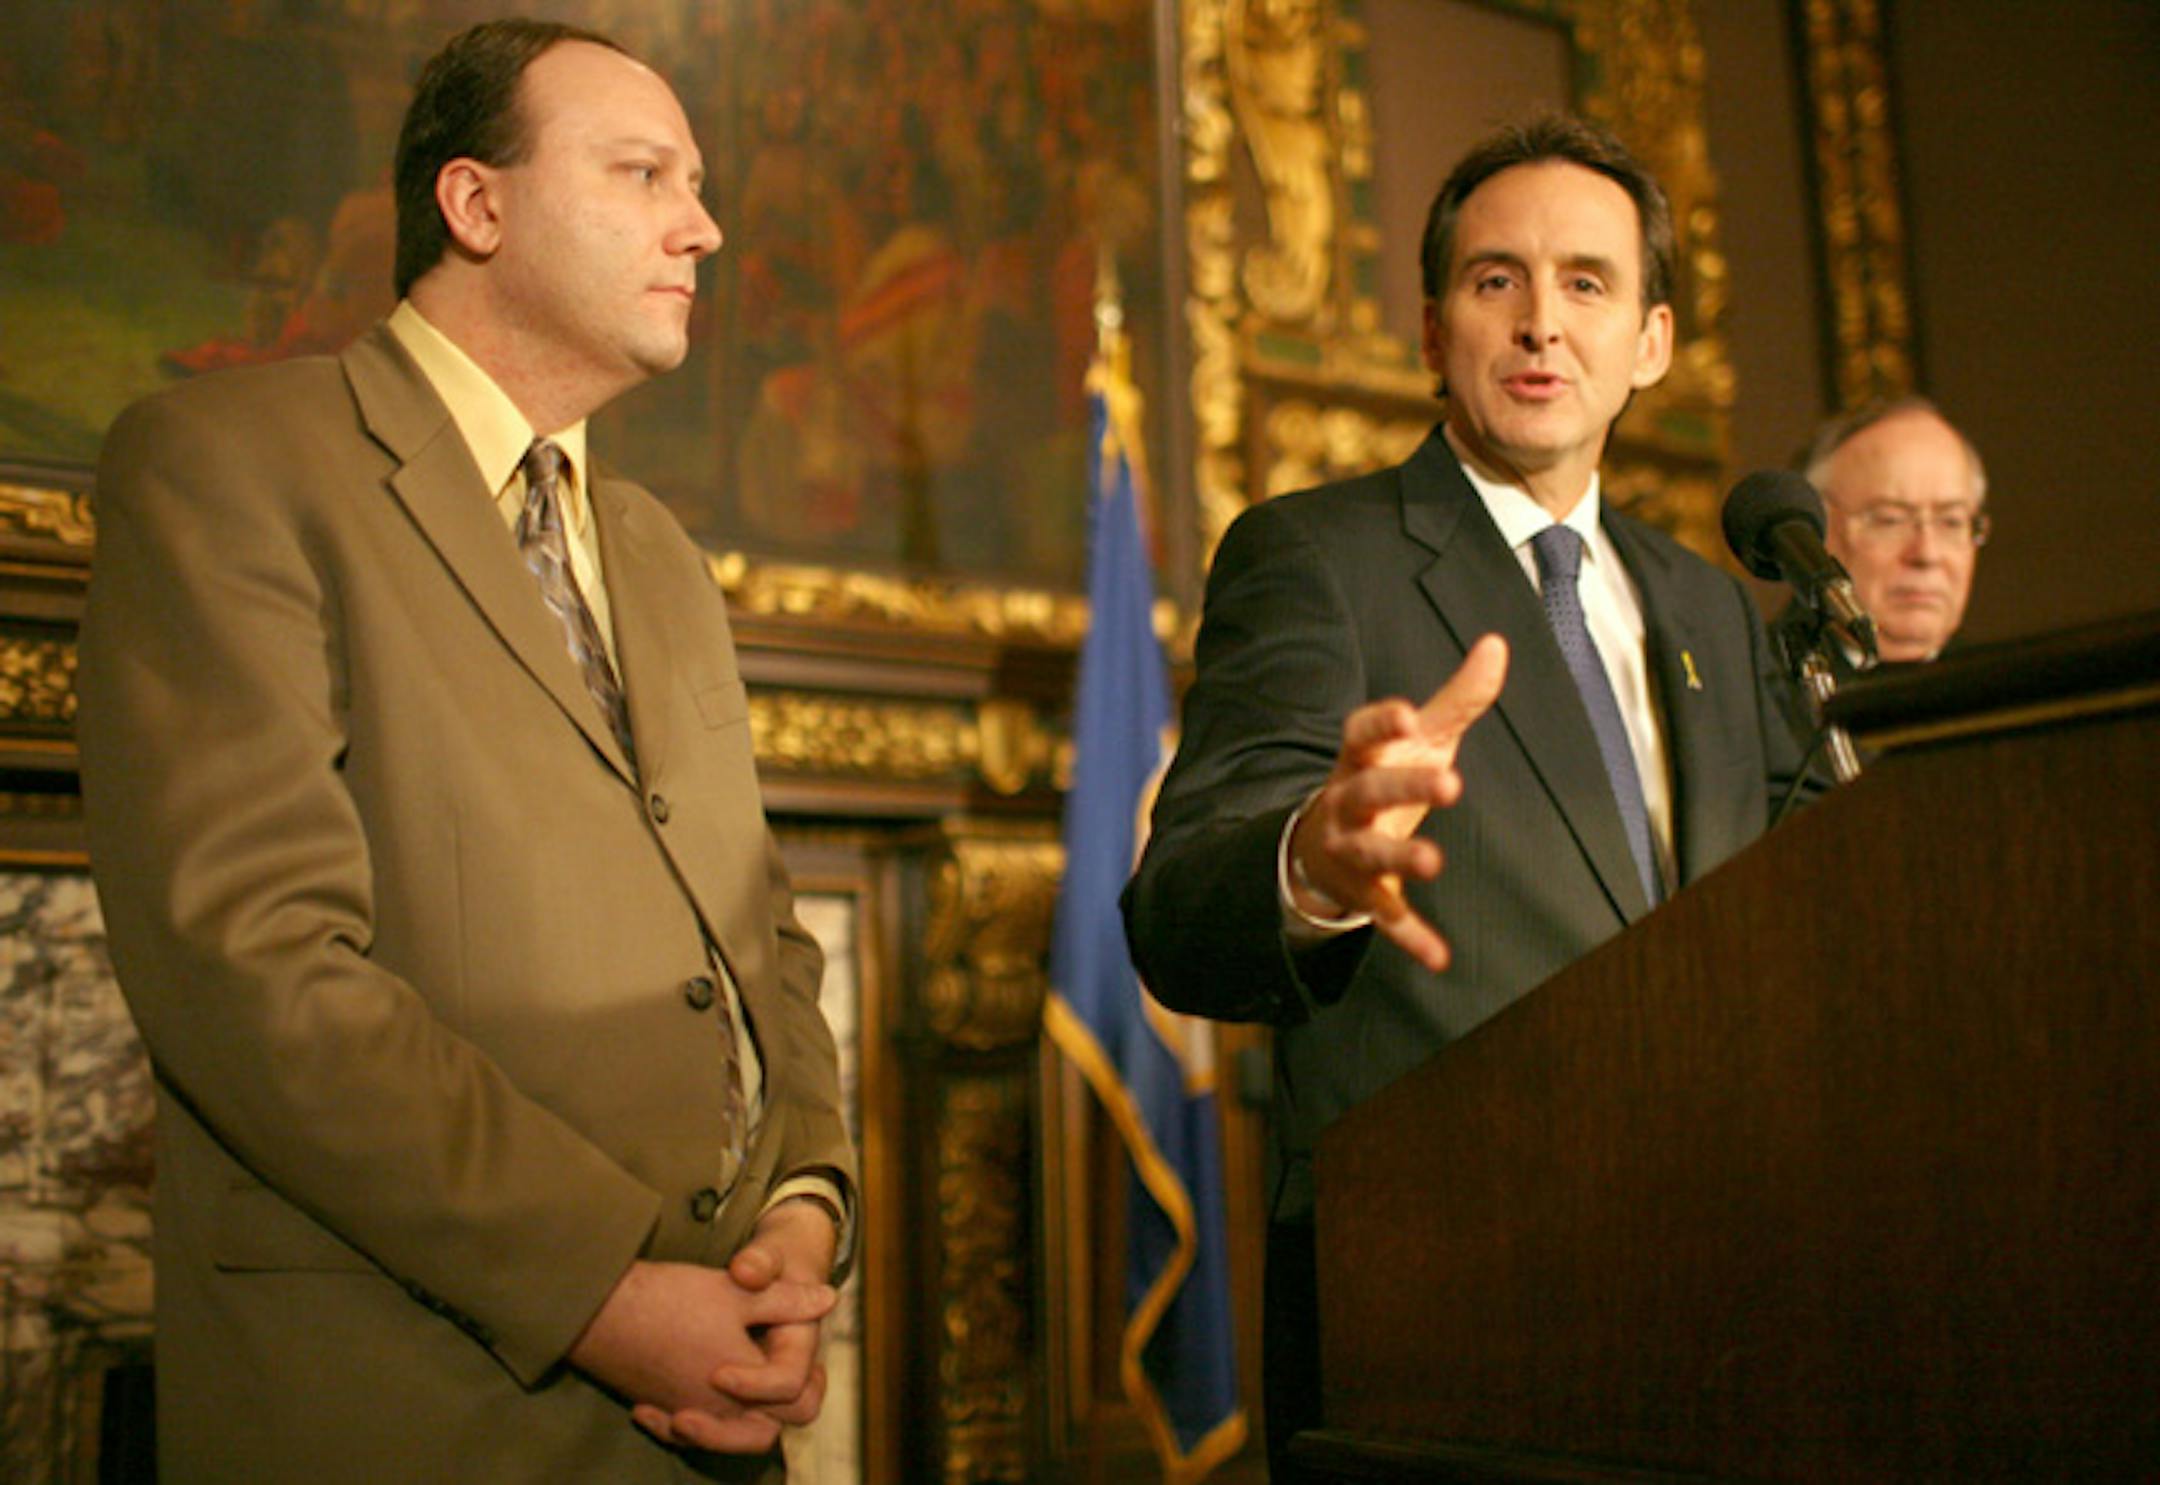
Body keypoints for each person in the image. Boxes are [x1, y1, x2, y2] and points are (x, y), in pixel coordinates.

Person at [77, 20, 855, 1482]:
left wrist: (802, 1214)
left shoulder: (663, 557)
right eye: (643, 173)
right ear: (476, 205)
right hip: (412, 1407)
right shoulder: (227, 463)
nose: (705, 225)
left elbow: (762, 945)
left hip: (713, 1412)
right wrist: (612, 1298)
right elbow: (252, 964)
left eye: (697, 181)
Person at [1121, 115, 1813, 1476]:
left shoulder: (1717, 616)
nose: (1542, 323)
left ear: (1653, 344)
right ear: (1434, 332)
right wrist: (1312, 865)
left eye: (1587, 283)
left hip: (1725, 1297)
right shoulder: (1315, 557)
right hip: (1438, 1312)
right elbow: (1178, 904)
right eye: (1497, 281)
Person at [1772, 397, 1989, 673]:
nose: (1926, 554)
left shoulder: (2009, 693)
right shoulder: (1748, 690)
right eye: (1890, 520)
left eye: (1951, 522)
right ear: (1814, 535)